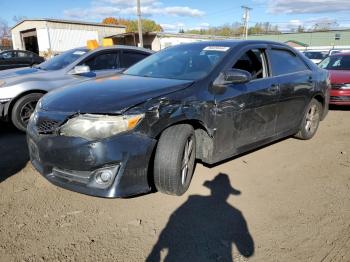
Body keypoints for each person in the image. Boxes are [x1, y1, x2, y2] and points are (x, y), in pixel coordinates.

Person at [146, 173, 254, 262]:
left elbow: (172, 222)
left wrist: (157, 248)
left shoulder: (193, 200)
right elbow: (247, 250)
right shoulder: (235, 213)